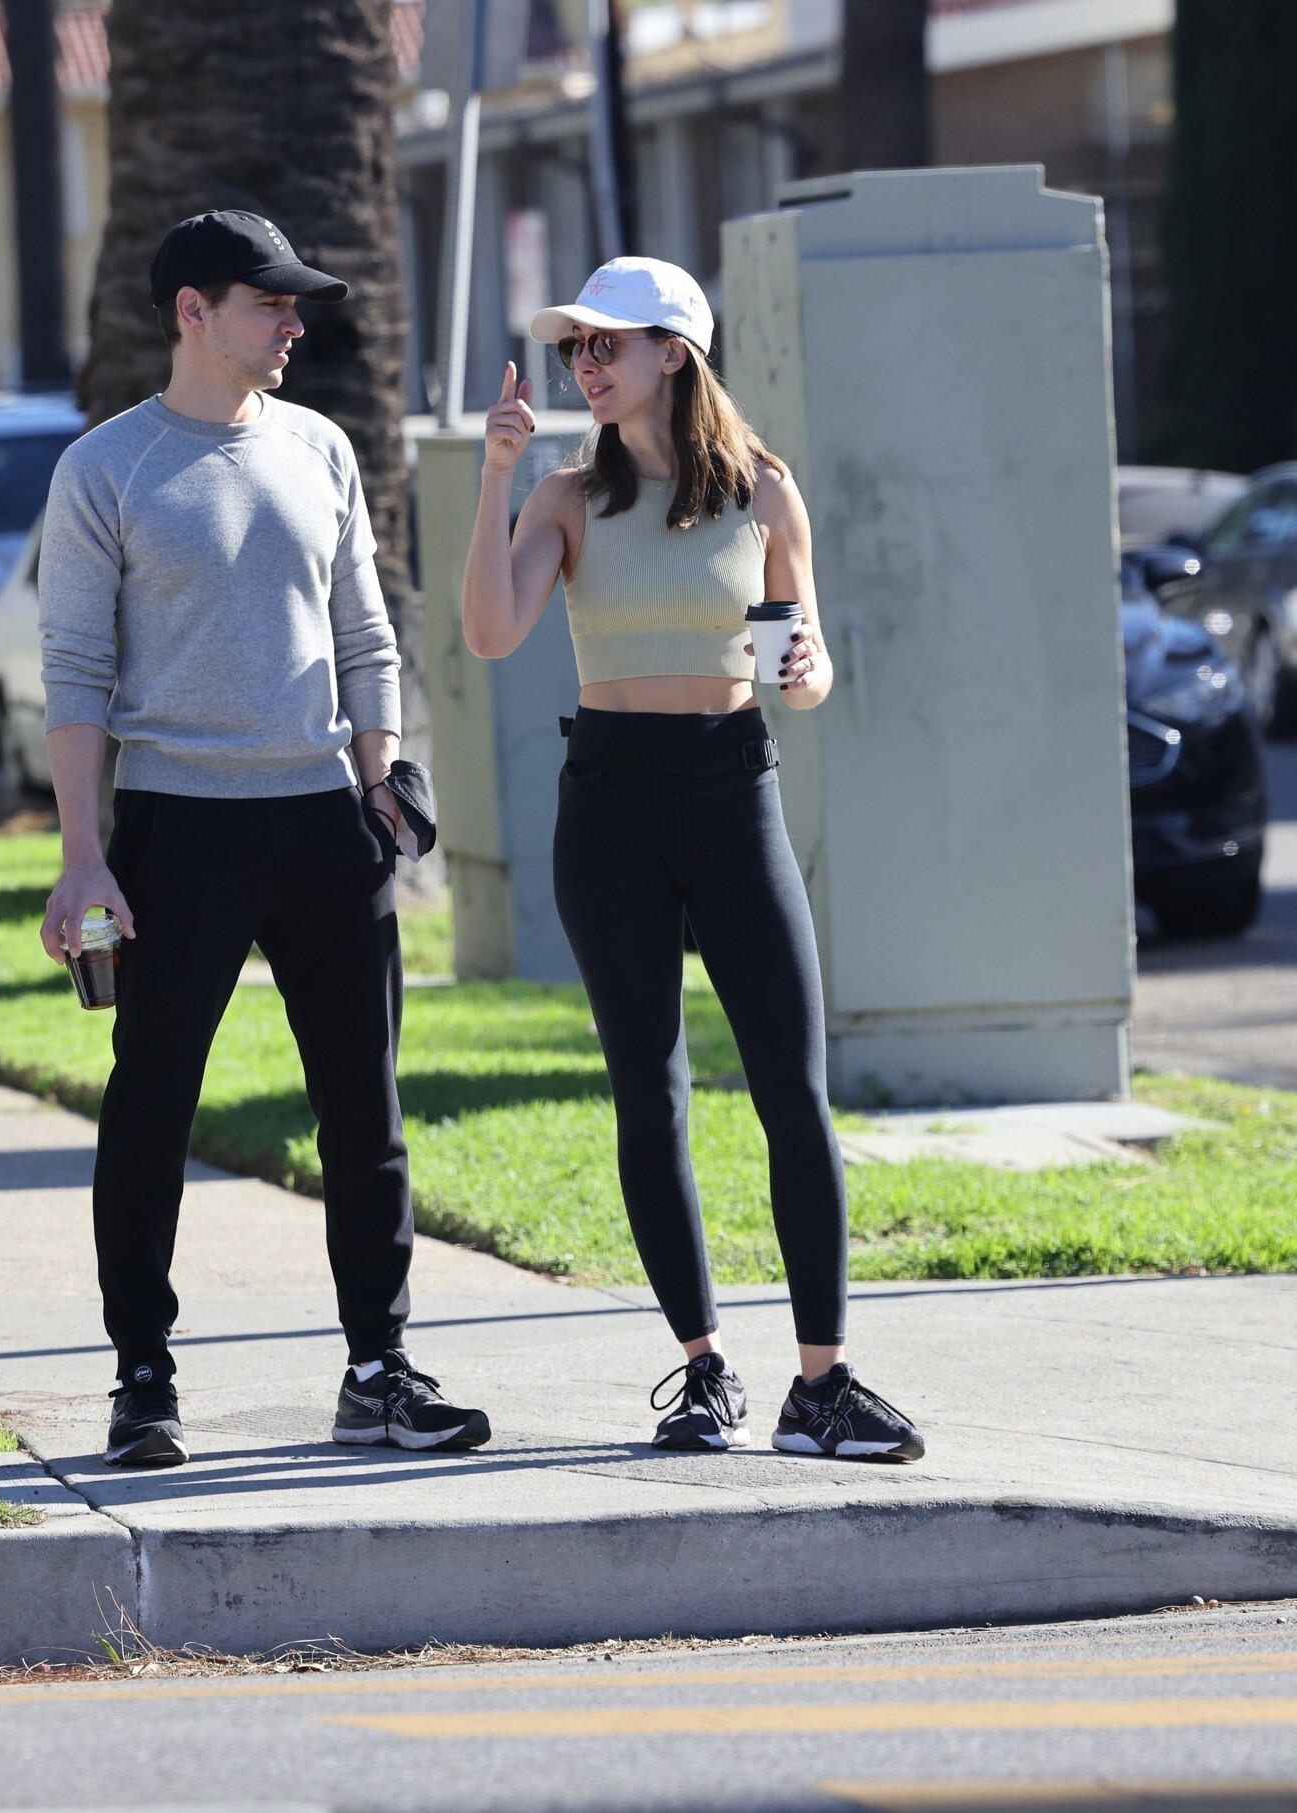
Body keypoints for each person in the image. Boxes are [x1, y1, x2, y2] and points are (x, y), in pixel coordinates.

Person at [37, 209, 490, 1467]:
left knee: (365, 1110)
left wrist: (383, 781)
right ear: (193, 311)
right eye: (269, 302)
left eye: (297, 304)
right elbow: (74, 673)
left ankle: (378, 1368)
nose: (294, 323)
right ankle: (142, 1376)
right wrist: (83, 856)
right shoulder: (106, 470)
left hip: (323, 822)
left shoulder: (321, 448)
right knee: (152, 1105)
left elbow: (364, 631)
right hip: (176, 827)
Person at [460, 256, 923, 1460]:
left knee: (792, 1091)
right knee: (649, 1091)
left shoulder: (763, 492)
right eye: (576, 346)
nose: (585, 363)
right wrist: (496, 476)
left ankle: (820, 1386)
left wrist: (810, 667)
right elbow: (492, 632)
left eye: (606, 343)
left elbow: (796, 670)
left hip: (731, 791)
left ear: (674, 352)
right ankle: (704, 1369)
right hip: (609, 803)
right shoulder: (565, 497)